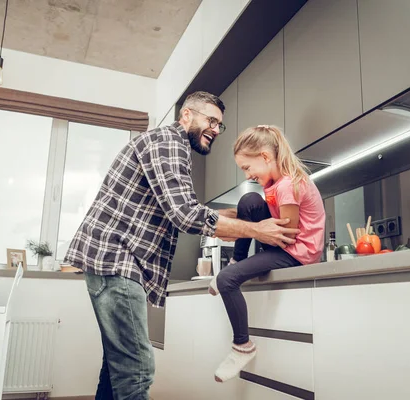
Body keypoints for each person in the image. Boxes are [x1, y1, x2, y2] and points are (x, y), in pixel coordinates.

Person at [65, 92, 300, 400]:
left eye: (220, 125)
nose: (216, 129)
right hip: (116, 260)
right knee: (136, 366)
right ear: (186, 116)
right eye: (211, 120)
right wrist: (256, 229)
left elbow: (183, 208)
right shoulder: (169, 143)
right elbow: (186, 215)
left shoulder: (169, 145)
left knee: (116, 365)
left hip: (111, 259)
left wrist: (241, 218)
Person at [208, 125, 326, 382]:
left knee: (227, 279)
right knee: (248, 201)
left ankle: (242, 346)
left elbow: (288, 235)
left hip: (296, 253)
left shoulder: (287, 185)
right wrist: (239, 227)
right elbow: (267, 223)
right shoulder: (275, 183)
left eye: (247, 168)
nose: (248, 175)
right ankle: (236, 259)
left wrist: (249, 231)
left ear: (264, 157)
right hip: (283, 243)